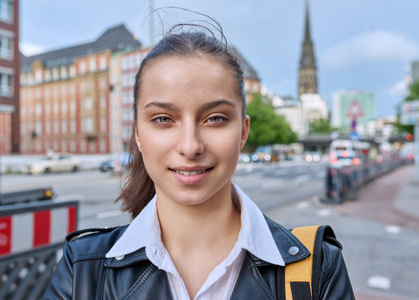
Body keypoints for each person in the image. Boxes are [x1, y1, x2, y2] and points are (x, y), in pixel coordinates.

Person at [44, 28, 354, 299]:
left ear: (243, 131)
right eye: (163, 119)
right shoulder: (82, 269)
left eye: (215, 118)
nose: (190, 146)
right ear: (138, 134)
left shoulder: (317, 268)